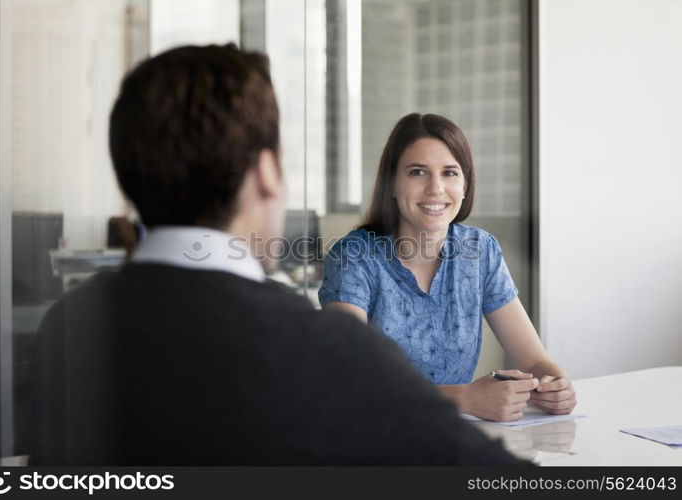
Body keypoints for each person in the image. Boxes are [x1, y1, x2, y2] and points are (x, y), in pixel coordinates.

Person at [31, 45, 530, 465]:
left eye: (450, 172)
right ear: (268, 174)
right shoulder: (318, 343)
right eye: (418, 171)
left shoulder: (66, 325)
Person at [319, 113, 576, 423]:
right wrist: (464, 398)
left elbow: (534, 360)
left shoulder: (480, 251)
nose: (436, 188)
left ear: (465, 184)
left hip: (450, 438)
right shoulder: (354, 257)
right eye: (417, 172)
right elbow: (349, 380)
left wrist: (555, 385)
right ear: (391, 182)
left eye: (450, 173)